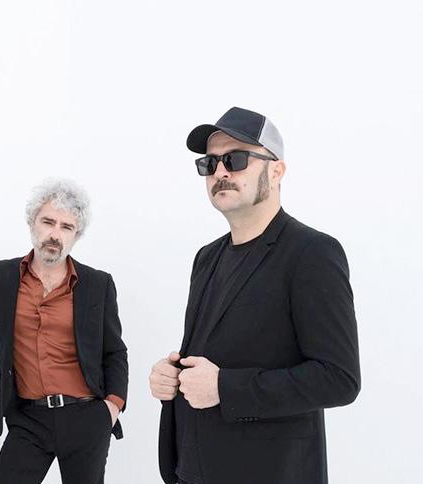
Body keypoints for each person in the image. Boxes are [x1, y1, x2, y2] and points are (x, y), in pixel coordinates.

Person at [149, 107, 361, 484]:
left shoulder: (312, 253)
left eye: (236, 159)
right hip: (192, 471)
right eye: (209, 163)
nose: (220, 172)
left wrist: (225, 387)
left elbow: (339, 378)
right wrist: (173, 378)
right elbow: (214, 355)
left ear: (276, 171)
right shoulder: (206, 258)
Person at [0, 179, 128, 484]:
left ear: (76, 235)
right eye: (48, 222)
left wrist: (112, 407)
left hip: (86, 417)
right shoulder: (4, 275)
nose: (55, 234)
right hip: (28, 418)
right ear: (32, 222)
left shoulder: (97, 284)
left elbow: (115, 351)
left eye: (66, 227)